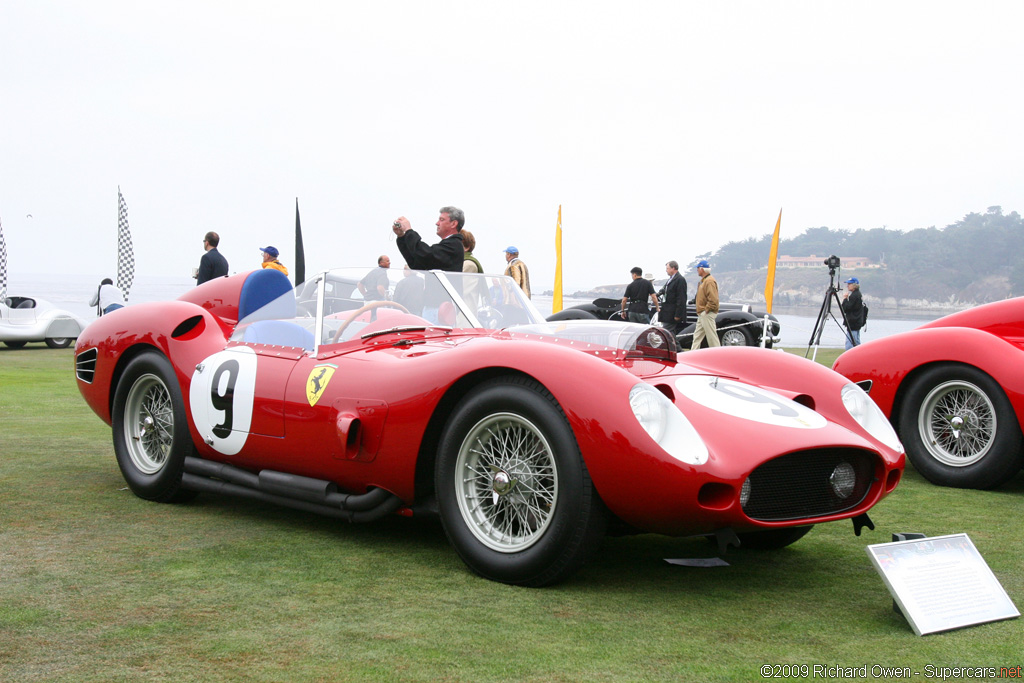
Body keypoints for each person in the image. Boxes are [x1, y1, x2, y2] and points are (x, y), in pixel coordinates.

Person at [392, 206, 465, 272]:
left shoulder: (454, 245)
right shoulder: (450, 244)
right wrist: (401, 237)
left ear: (453, 224)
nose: (437, 223)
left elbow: (425, 255)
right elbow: (416, 263)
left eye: (442, 220)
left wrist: (408, 230)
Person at [691, 260, 720, 349]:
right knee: (697, 337)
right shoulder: (704, 281)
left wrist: (706, 310)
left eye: (698, 268)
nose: (697, 270)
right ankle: (692, 355)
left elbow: (713, 299)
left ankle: (719, 355)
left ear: (702, 269)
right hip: (703, 313)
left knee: (712, 338)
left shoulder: (709, 281)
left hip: (707, 313)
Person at [659, 260, 687, 335]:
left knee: (667, 332)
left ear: (673, 268)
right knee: (669, 333)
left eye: (667, 268)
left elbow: (681, 298)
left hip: (672, 311)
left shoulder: (680, 280)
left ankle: (676, 347)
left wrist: (678, 314)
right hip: (667, 311)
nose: (666, 270)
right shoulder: (670, 280)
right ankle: (675, 347)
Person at [841, 276, 866, 349]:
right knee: (856, 341)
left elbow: (845, 308)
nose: (847, 286)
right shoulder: (858, 294)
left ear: (854, 285)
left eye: (849, 284)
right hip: (857, 322)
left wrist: (845, 299)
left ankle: (850, 357)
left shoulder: (854, 295)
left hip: (853, 322)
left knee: (850, 342)